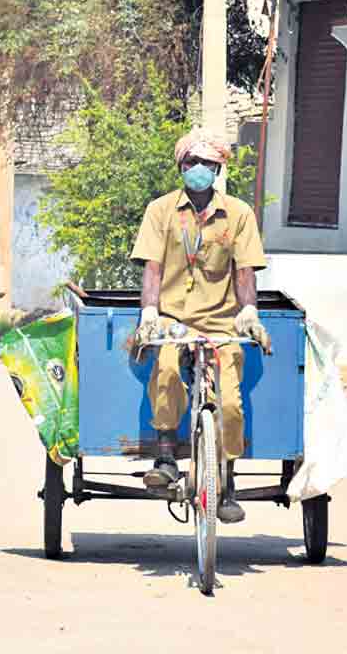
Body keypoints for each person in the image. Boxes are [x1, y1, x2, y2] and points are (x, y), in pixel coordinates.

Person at [129, 127, 271, 524]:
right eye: (192, 162)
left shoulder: (239, 214)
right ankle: (165, 456)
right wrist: (150, 312)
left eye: (207, 164)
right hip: (174, 320)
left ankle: (227, 479)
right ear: (181, 167)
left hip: (221, 323)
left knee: (229, 400)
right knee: (167, 372)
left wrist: (248, 312)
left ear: (218, 169)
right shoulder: (160, 211)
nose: (199, 170)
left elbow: (245, 271)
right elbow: (152, 267)